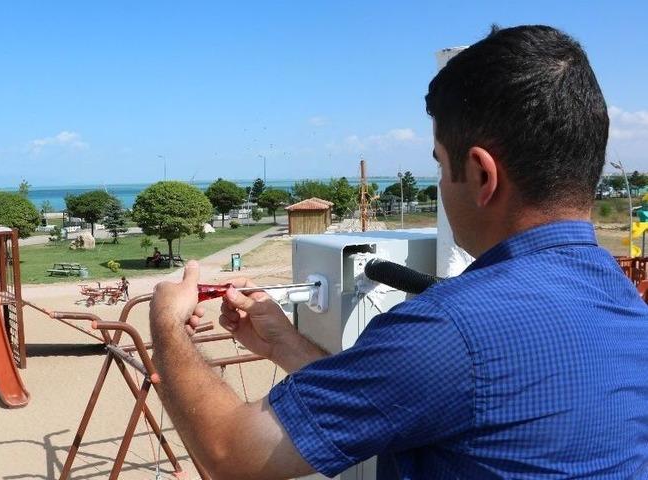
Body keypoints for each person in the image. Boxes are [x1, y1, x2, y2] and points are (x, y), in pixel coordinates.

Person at [148, 25, 648, 479]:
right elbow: (410, 396)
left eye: (439, 165)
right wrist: (284, 343)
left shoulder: (449, 329)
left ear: (481, 174)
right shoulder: (628, 308)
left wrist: (167, 325)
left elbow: (230, 453)